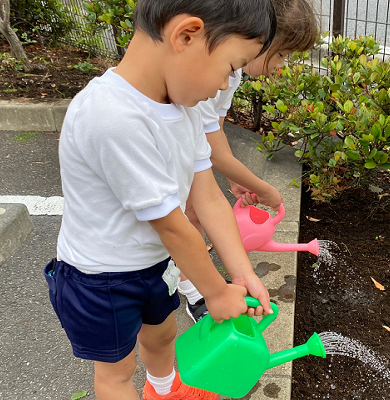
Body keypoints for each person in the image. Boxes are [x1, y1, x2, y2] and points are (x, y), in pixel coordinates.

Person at [43, 1, 276, 399]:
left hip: (154, 264)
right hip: (100, 279)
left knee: (163, 335)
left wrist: (240, 273)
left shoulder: (181, 106)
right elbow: (172, 225)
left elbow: (208, 197)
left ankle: (165, 390)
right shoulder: (113, 116)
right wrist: (216, 294)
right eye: (230, 66)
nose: (225, 85)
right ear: (186, 35)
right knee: (117, 371)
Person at [177, 0, 320, 323]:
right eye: (282, 54)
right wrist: (263, 188)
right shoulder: (202, 76)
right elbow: (214, 151)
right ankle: (193, 290)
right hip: (176, 159)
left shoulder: (231, 76)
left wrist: (233, 178)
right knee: (186, 222)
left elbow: (213, 131)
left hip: (189, 158)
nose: (282, 64)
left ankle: (192, 283)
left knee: (194, 216)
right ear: (261, 39)